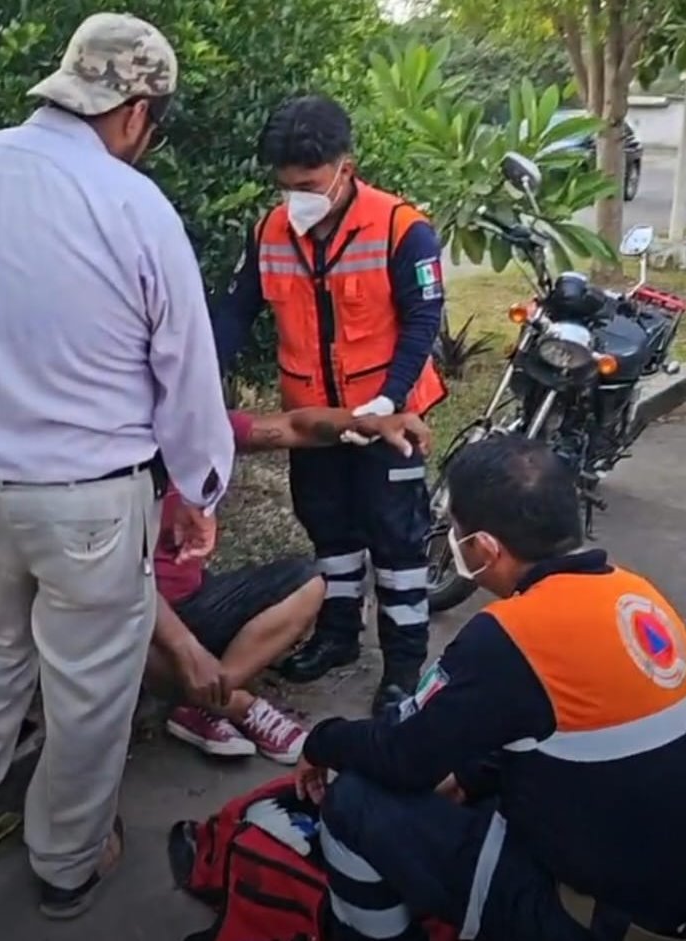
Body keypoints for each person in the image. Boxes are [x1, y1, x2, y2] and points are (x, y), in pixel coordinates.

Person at [0, 12, 234, 920]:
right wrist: (196, 484)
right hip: (93, 506)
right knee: (89, 689)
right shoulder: (132, 204)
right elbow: (185, 366)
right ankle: (67, 860)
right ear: (138, 110)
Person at [296, 435, 686, 941]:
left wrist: (322, 739)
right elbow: (570, 735)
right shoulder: (637, 595)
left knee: (355, 801)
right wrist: (473, 776)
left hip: (579, 919)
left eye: (456, 533)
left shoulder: (513, 635)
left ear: (485, 548)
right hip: (662, 906)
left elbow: (401, 757)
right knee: (469, 777)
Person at [213, 94, 448, 716]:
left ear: (346, 165)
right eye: (286, 186)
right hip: (313, 420)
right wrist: (198, 374)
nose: (297, 198)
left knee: (397, 543)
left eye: (309, 184)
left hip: (390, 419)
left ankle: (403, 665)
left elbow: (424, 319)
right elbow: (237, 312)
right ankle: (338, 636)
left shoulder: (401, 228)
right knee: (330, 531)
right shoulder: (269, 230)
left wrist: (388, 399)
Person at [148, 407, 432, 765]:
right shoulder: (101, 458)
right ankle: (235, 705)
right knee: (116, 626)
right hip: (135, 614)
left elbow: (292, 425)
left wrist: (368, 423)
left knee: (307, 583)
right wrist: (185, 646)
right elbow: (117, 585)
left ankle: (203, 700)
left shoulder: (195, 425)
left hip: (196, 598)